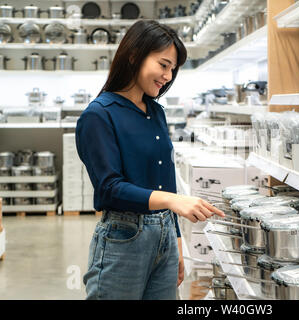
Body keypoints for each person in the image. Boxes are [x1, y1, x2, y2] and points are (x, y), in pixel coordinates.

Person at [75, 20, 225, 300]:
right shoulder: (99, 115)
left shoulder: (156, 112)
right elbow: (109, 188)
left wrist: (177, 243)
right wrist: (172, 201)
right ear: (134, 56)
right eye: (164, 64)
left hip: (165, 235)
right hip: (123, 238)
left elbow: (165, 179)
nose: (168, 75)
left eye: (173, 69)